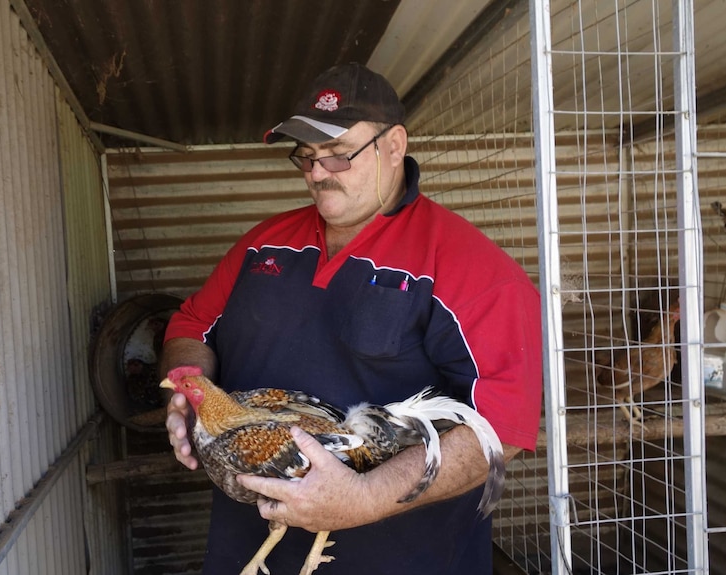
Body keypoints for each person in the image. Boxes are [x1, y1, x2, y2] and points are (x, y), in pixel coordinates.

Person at [161, 62, 543, 575]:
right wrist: (188, 393)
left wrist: (363, 497)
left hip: (402, 559)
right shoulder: (263, 244)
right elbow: (190, 325)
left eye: (339, 155)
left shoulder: (470, 268)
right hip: (247, 553)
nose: (317, 173)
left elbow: (505, 426)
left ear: (394, 145)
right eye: (306, 157)